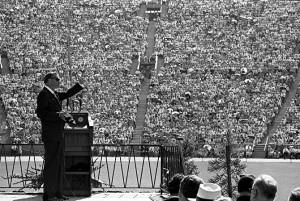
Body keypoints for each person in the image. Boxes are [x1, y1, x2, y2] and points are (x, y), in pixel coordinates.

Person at [36, 72, 84, 201]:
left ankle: (58, 193)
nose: (59, 81)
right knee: (51, 165)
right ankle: (49, 195)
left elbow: (68, 94)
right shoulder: (43, 94)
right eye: (57, 79)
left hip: (58, 134)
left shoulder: (55, 94)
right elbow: (40, 113)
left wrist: (80, 85)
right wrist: (58, 115)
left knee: (59, 165)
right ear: (48, 80)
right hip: (51, 135)